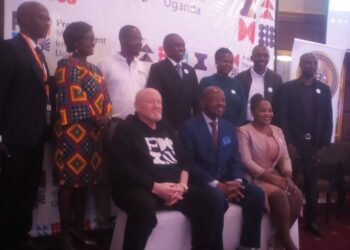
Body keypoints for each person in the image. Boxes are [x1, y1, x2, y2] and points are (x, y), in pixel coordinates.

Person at [107, 88, 224, 250]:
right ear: (137, 106)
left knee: (211, 200)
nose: (157, 106)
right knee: (143, 207)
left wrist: (182, 186)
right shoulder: (126, 128)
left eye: (159, 102)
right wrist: (155, 187)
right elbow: (121, 168)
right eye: (151, 102)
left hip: (174, 188)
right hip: (140, 187)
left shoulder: (166, 128)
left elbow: (185, 161)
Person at [179, 86, 264, 250]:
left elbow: (235, 159)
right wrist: (216, 184)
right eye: (216, 99)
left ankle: (247, 245)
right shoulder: (188, 127)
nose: (221, 103)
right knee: (216, 198)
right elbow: (188, 163)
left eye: (224, 100)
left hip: (230, 180)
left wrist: (237, 181)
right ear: (202, 103)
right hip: (203, 183)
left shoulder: (229, 127)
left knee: (256, 195)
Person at [53, 21, 112, 250]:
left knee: (84, 181)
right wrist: (96, 117)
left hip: (93, 135)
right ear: (75, 42)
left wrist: (106, 116)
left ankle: (78, 229)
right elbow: (71, 97)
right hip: (72, 133)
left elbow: (106, 98)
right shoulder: (66, 66)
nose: (93, 42)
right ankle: (65, 235)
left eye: (93, 37)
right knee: (68, 182)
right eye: (88, 38)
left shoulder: (96, 70)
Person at [0, 2, 52, 249]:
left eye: (48, 18)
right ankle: (8, 239)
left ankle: (21, 235)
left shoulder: (39, 52)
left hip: (35, 136)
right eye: (42, 18)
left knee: (28, 189)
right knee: (10, 192)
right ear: (23, 20)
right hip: (13, 137)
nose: (48, 23)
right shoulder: (9, 49)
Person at [275, 53, 333, 236]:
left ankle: (312, 222)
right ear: (300, 65)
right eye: (307, 62)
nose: (311, 65)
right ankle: (285, 222)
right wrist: (288, 144)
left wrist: (323, 146)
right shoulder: (287, 88)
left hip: (314, 147)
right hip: (292, 146)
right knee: (287, 185)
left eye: (314, 63)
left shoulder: (323, 90)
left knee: (312, 186)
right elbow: (281, 117)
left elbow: (328, 120)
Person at [97, 25, 149, 229]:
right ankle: (102, 222)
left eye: (140, 38)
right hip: (113, 126)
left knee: (133, 173)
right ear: (123, 40)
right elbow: (98, 97)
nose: (139, 43)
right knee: (106, 174)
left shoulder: (142, 66)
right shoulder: (106, 63)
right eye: (135, 39)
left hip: (137, 128)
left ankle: (126, 219)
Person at [237, 94, 303, 250]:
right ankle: (287, 242)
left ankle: (278, 238)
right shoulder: (243, 131)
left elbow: (285, 156)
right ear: (252, 112)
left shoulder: (278, 130)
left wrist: (287, 176)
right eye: (262, 111)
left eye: (270, 110)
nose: (268, 114)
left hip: (277, 175)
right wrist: (272, 180)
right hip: (255, 178)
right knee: (280, 195)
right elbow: (246, 161)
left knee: (297, 194)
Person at [147, 33, 198, 129]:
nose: (182, 48)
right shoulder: (157, 68)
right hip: (164, 124)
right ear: (166, 48)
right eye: (177, 45)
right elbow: (154, 98)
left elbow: (196, 101)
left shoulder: (191, 70)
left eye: (183, 45)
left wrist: (196, 124)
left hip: (187, 125)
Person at [199, 48, 246, 127]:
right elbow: (200, 107)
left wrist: (235, 128)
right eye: (225, 61)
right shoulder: (206, 81)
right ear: (217, 62)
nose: (228, 64)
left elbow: (243, 110)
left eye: (231, 62)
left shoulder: (238, 84)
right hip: (211, 129)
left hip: (233, 130)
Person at [234, 44, 283, 121]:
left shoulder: (276, 78)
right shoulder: (240, 78)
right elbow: (236, 103)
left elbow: (279, 105)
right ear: (252, 58)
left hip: (267, 126)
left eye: (265, 56)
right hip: (244, 125)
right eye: (258, 55)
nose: (262, 58)